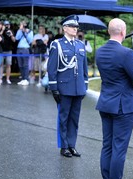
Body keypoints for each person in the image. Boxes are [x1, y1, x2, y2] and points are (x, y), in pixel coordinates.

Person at [95, 18, 133, 179]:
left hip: (106, 103)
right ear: (123, 32)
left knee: (107, 146)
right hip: (122, 106)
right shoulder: (126, 53)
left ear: (110, 31)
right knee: (119, 148)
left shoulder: (100, 52)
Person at [47, 15, 88, 158]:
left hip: (78, 88)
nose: (75, 29)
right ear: (65, 28)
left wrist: (85, 86)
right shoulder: (57, 45)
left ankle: (72, 145)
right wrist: (54, 88)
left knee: (74, 119)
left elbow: (84, 69)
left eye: (76, 27)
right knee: (63, 118)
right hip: (64, 88)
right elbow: (52, 68)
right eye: (72, 26)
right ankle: (64, 146)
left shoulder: (80, 45)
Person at [15, 20, 33, 86]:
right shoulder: (19, 30)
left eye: (22, 24)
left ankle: (26, 79)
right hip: (19, 48)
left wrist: (26, 32)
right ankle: (23, 78)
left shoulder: (30, 31)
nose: (21, 25)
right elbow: (17, 38)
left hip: (25, 49)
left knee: (25, 64)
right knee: (20, 64)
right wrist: (20, 30)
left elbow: (30, 40)